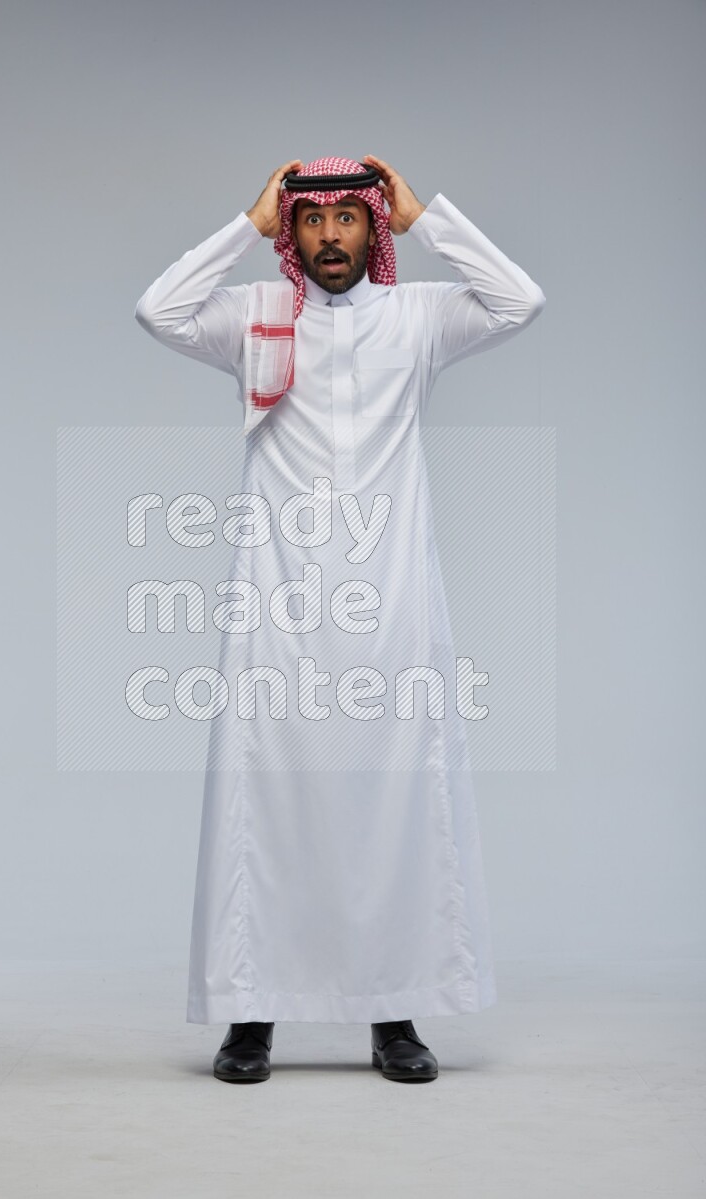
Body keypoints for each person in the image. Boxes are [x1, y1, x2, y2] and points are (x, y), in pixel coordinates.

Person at [135, 155, 545, 1083]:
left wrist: (426, 213)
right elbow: (157, 309)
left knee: (394, 802)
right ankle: (251, 1018)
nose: (329, 237)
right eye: (310, 220)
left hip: (394, 600)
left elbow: (519, 300)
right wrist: (245, 222)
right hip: (277, 603)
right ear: (293, 232)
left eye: (348, 220)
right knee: (265, 802)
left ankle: (393, 1016)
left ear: (374, 230)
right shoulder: (254, 316)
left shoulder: (419, 315)